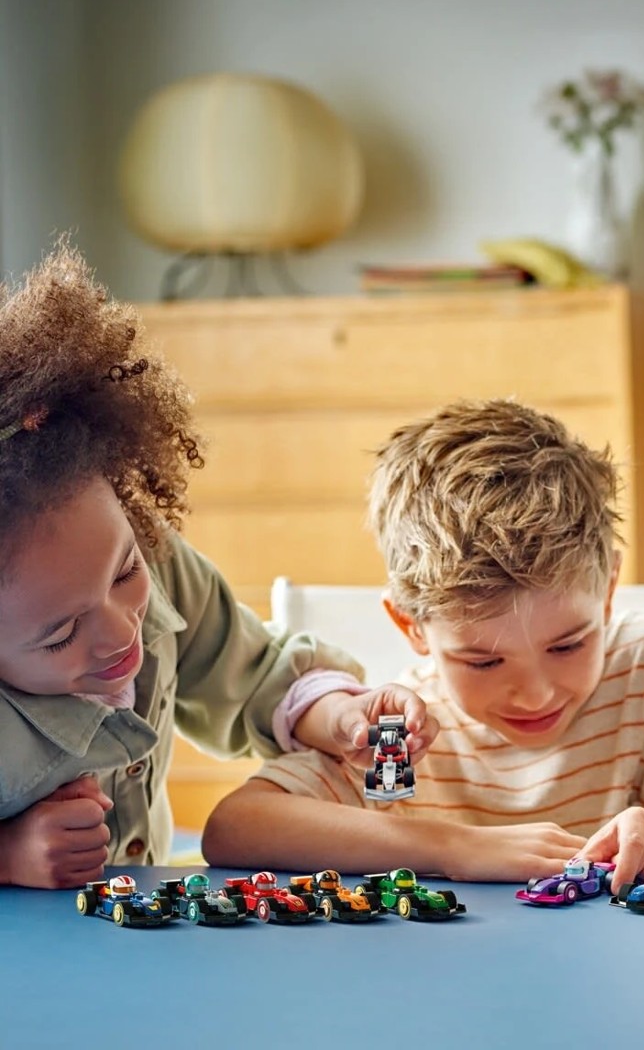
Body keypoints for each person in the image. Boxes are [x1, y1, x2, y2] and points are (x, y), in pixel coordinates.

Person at [0, 244, 430, 889]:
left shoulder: (165, 567)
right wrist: (7, 856)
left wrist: (341, 717)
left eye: (124, 574)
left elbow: (258, 676)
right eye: (60, 633)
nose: (121, 632)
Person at [202, 399, 644, 890]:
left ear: (607, 592)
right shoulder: (405, 737)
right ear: (412, 626)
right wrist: (455, 847)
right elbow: (234, 826)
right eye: (484, 660)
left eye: (568, 645)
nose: (535, 696)